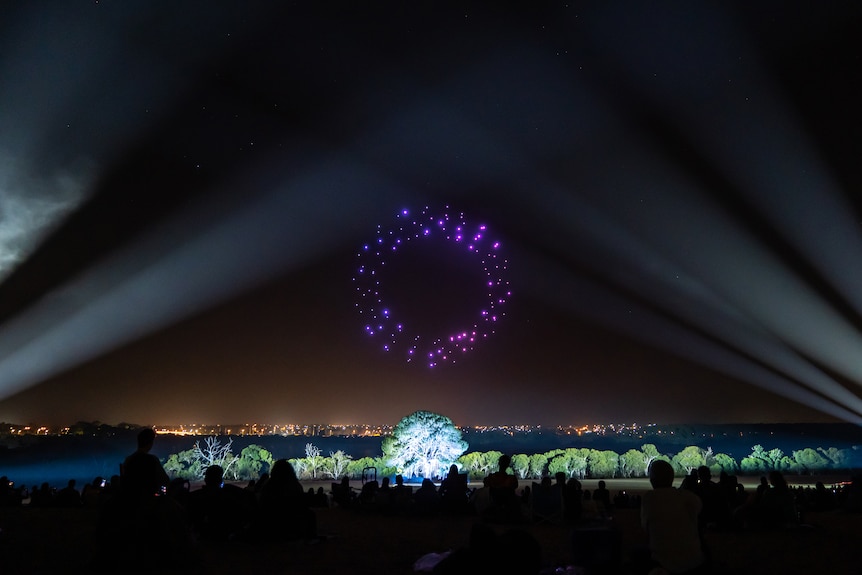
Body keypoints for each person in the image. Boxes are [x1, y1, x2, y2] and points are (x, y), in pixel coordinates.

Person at [639, 460, 705, 574]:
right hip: (693, 562)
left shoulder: (649, 499)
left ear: (652, 479)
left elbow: (646, 530)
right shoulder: (689, 497)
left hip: (663, 564)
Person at [120, 427, 169, 503]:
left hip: (130, 501)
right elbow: (164, 480)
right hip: (148, 502)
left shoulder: (128, 460)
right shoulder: (152, 459)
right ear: (150, 443)